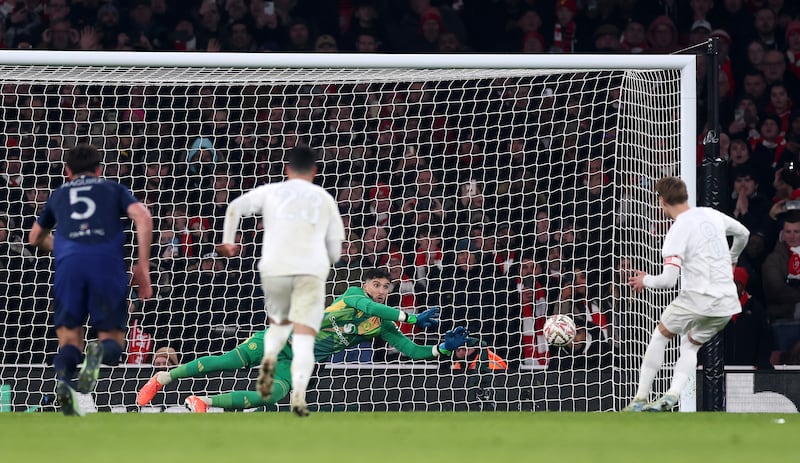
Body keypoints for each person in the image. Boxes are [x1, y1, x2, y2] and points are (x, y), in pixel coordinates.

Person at [135, 268, 462, 412]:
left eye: (385, 288)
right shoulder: (352, 296)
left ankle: (203, 402)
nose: (380, 291)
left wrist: (442, 348)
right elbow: (368, 306)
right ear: (365, 285)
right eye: (376, 284)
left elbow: (413, 350)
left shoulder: (380, 325)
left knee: (273, 395)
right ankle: (163, 377)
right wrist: (410, 317)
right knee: (226, 361)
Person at [215, 145, 345, 417]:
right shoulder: (324, 198)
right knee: (305, 339)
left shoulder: (272, 191)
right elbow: (335, 250)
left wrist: (228, 241)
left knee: (278, 326)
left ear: (287, 170)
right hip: (309, 271)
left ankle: (269, 362)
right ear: (315, 171)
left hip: (275, 269)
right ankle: (298, 397)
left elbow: (234, 207)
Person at [27, 143, 153, 416]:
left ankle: (64, 386)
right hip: (107, 265)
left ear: (67, 172)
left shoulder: (59, 194)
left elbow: (34, 236)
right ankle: (96, 356)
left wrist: (64, 247)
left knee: (69, 342)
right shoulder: (112, 189)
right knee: (113, 345)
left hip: (69, 267)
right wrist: (143, 266)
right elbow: (143, 216)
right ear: (99, 170)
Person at [623, 176, 750, 412]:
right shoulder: (711, 214)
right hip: (727, 304)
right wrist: (732, 259)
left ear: (662, 201)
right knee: (690, 345)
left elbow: (668, 280)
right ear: (685, 196)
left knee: (660, 336)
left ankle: (639, 399)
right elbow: (743, 233)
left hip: (697, 298)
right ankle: (672, 395)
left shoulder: (676, 231)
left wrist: (644, 280)